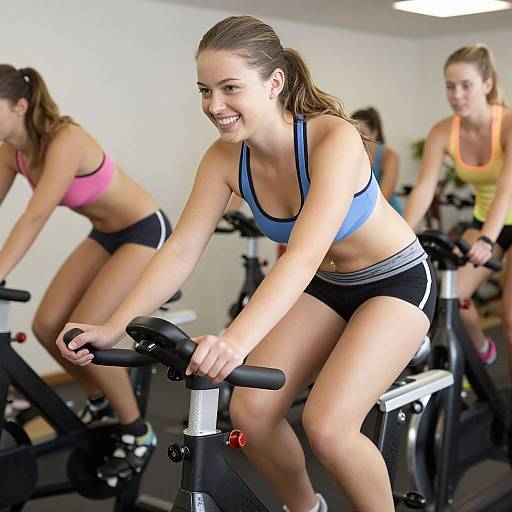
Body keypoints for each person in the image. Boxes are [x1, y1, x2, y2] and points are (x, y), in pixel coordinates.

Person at [56, 16, 435, 511]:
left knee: (328, 425)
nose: (214, 106)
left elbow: (301, 256)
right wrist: (114, 326)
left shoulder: (332, 139)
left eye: (230, 87)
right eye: (205, 90)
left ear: (274, 83)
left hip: (395, 281)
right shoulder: (223, 159)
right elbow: (181, 248)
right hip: (328, 285)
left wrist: (236, 341)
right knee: (251, 413)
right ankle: (306, 508)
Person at [0, 64, 172, 483]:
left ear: (20, 106)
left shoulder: (65, 140)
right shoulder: (10, 149)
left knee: (83, 332)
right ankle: (100, 399)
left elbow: (36, 215)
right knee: (46, 326)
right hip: (105, 233)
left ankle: (136, 431)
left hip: (146, 230)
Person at [404, 44, 512, 369]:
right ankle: (482, 347)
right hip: (486, 220)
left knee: (510, 316)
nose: (457, 94)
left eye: (466, 85)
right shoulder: (443, 131)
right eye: (450, 86)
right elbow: (424, 188)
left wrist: (487, 240)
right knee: (454, 299)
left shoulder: (507, 125)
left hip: (495, 226)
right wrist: (401, 238)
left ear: (487, 85)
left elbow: (506, 189)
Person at [352, 107, 403, 214]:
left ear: (375, 132)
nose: (358, 138)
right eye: (354, 133)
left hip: (386, 214)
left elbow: (383, 197)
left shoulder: (389, 156)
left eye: (362, 133)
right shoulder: (350, 154)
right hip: (359, 214)